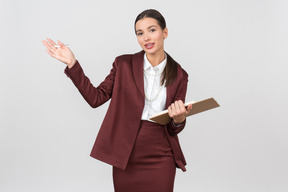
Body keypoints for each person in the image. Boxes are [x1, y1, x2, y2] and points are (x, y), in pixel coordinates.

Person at [42, 9, 192, 192]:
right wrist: (72, 64)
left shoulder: (180, 75)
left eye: (152, 30)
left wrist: (179, 119)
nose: (146, 37)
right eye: (140, 33)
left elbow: (173, 127)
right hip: (127, 153)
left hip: (162, 154)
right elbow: (95, 98)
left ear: (165, 32)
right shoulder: (123, 65)